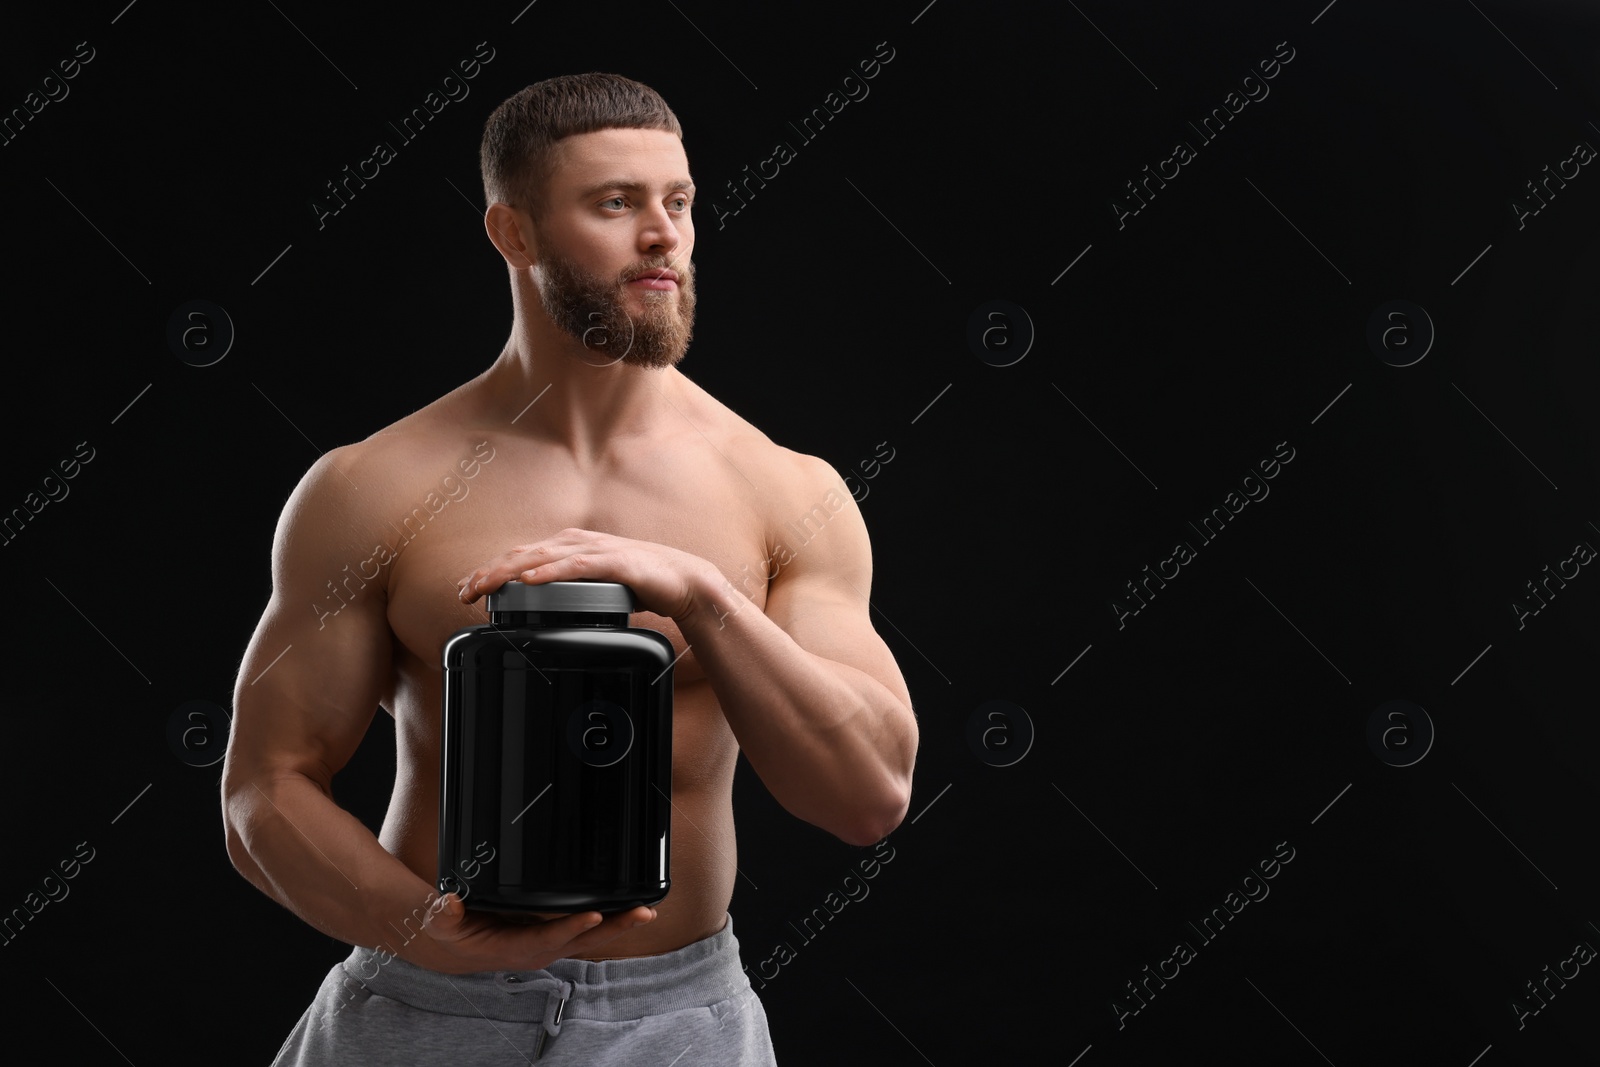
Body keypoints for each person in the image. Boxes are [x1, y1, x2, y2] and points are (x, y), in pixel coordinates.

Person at [221, 72, 919, 1065]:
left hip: (675, 1019)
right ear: (514, 234)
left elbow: (867, 792)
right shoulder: (370, 488)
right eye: (614, 203)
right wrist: (422, 930)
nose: (663, 234)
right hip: (423, 1007)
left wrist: (702, 594)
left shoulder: (783, 491)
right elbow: (263, 790)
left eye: (677, 201)